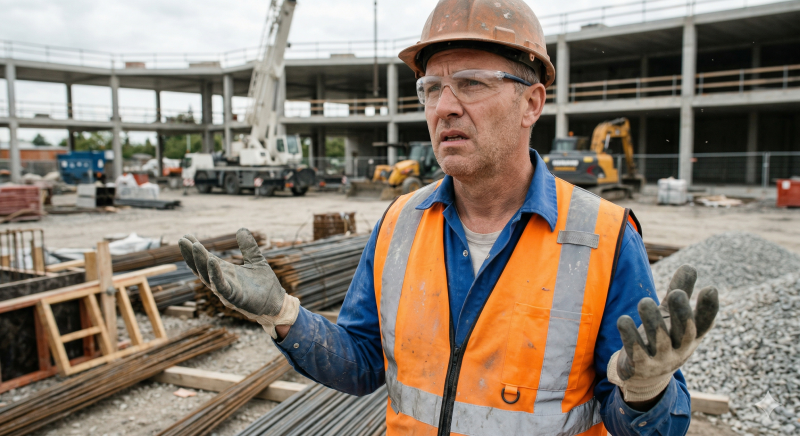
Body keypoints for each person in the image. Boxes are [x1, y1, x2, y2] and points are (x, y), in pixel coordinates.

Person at [179, 0, 719, 434]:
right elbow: (365, 363)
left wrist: (645, 391)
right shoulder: (400, 223)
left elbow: (649, 426)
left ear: (532, 103)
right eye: (432, 88)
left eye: (472, 83)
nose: (444, 107)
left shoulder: (600, 237)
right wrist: (283, 313)